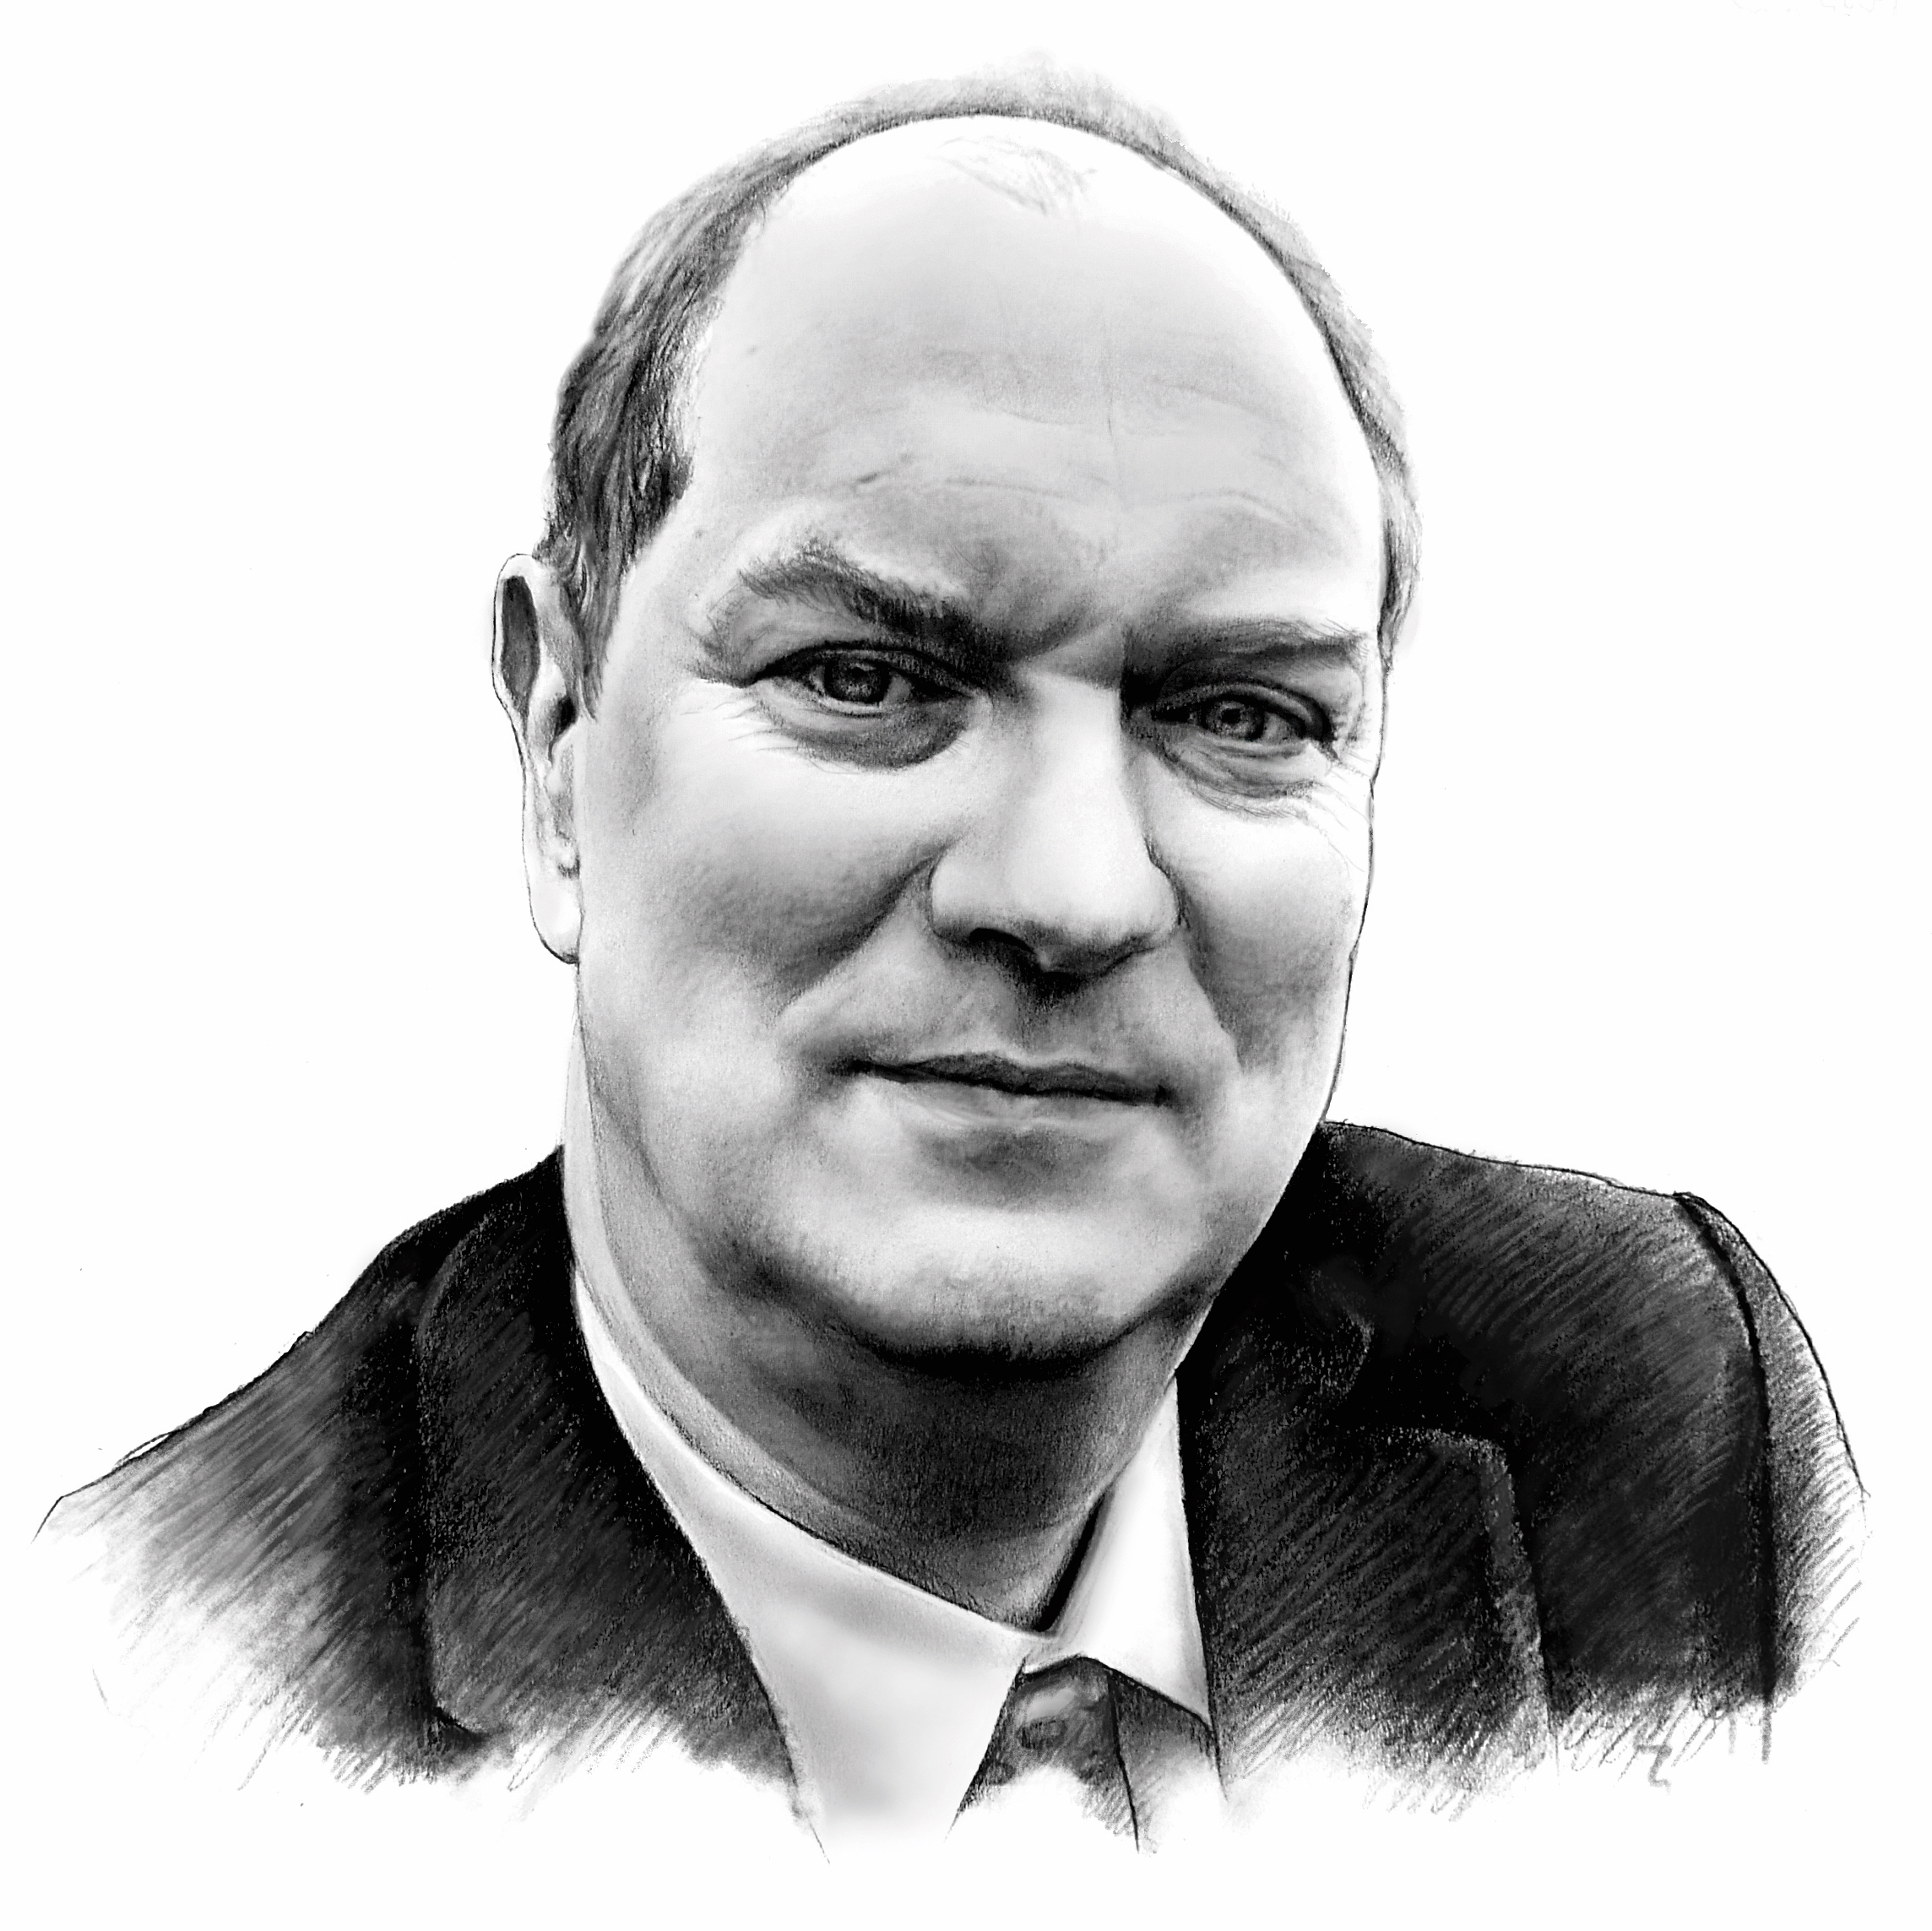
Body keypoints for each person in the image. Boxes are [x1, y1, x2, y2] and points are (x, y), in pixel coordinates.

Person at [40, 74, 1860, 1850]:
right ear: (559, 740)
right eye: (865, 680)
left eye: (1239, 713)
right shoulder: (150, 1710)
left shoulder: (1663, 1421)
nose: (1070, 891)